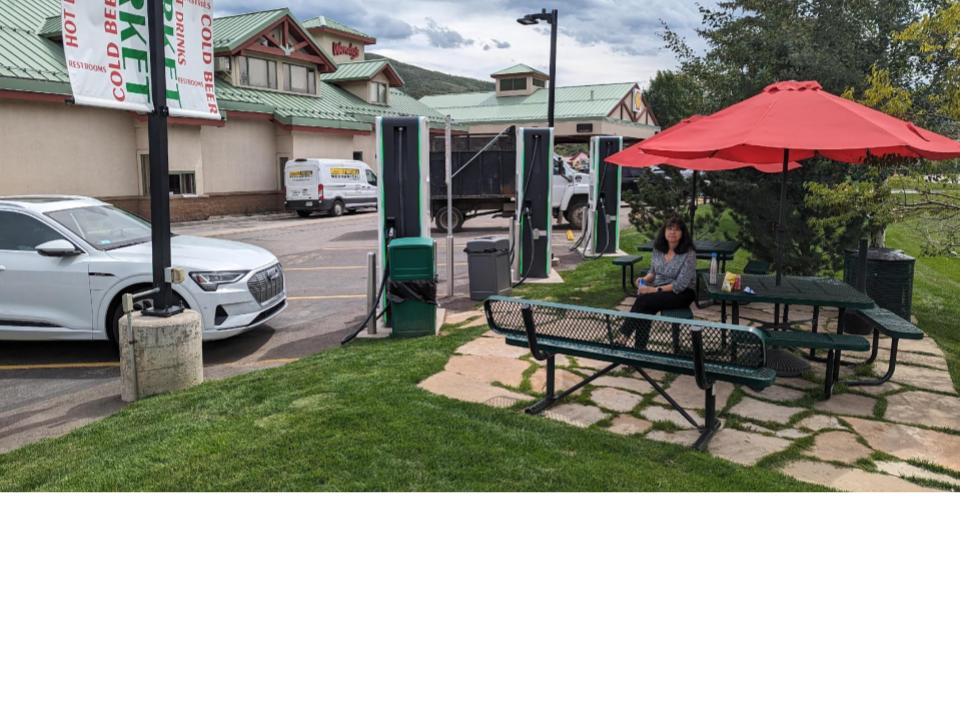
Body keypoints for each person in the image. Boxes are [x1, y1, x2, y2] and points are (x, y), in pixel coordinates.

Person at [623, 216, 697, 347]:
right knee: (645, 309)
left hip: (683, 293)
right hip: (660, 290)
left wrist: (652, 290)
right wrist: (644, 279)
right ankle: (640, 349)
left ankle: (623, 336)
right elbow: (653, 272)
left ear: (682, 233)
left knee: (643, 300)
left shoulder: (689, 253)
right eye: (669, 228)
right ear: (664, 231)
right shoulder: (658, 248)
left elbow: (680, 285)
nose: (672, 232)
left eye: (677, 229)